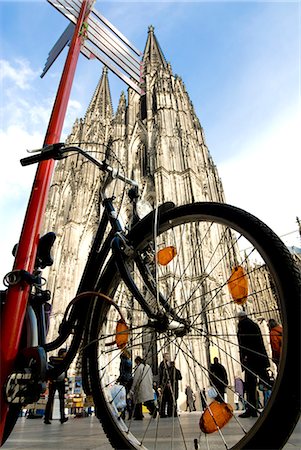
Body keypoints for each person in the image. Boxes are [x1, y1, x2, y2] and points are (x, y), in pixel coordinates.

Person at [237, 311, 269, 418]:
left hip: (250, 360)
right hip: (259, 358)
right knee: (266, 382)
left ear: (240, 318)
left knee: (250, 386)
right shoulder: (254, 325)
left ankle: (251, 409)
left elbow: (244, 343)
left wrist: (245, 357)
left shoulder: (243, 326)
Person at [44, 348, 68, 424]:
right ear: (61, 354)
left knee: (61, 400)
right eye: (65, 353)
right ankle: (47, 418)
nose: (66, 354)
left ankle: (62, 417)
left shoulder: (65, 361)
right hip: (54, 381)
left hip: (61, 382)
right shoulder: (54, 361)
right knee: (50, 399)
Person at [118, 348, 133, 420]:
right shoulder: (129, 361)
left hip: (124, 381)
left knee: (123, 397)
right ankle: (129, 413)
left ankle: (124, 414)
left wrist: (120, 378)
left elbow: (122, 371)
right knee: (126, 397)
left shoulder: (123, 361)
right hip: (129, 380)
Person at [158, 352, 172, 417]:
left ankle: (168, 412)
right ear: (164, 357)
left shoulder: (166, 364)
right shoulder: (162, 365)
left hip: (166, 384)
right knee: (164, 400)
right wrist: (160, 385)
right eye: (167, 356)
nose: (169, 358)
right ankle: (163, 413)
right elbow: (161, 375)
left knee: (168, 399)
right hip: (164, 385)